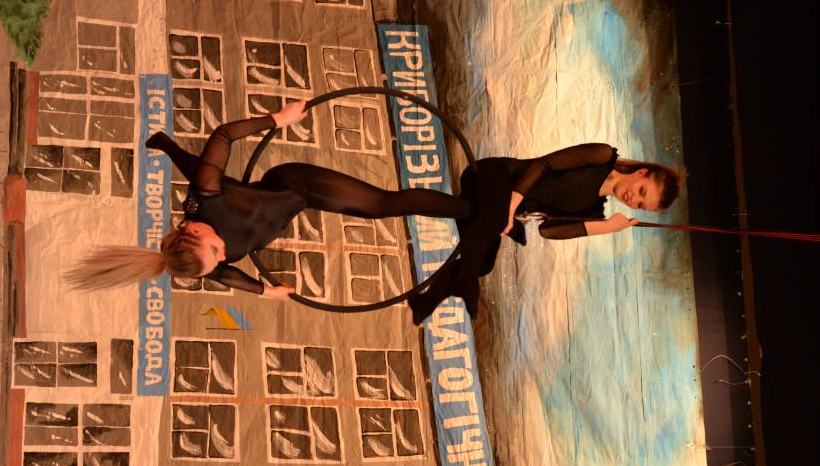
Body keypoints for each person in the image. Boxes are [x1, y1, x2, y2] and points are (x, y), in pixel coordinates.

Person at [65, 101, 472, 296]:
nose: (225, 256)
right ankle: (168, 146)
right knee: (212, 179)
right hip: (275, 207)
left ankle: (470, 209)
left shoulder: (203, 200)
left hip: (293, 186)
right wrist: (266, 291)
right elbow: (227, 276)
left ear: (195, 231)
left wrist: (277, 120)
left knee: (384, 205)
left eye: (217, 251)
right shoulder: (208, 264)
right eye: (218, 261)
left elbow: (223, 134)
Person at [405, 142, 685, 324]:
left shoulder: (594, 211)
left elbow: (547, 231)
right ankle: (466, 279)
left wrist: (605, 227)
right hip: (496, 176)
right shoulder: (602, 156)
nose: (633, 199)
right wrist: (512, 205)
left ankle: (424, 304)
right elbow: (543, 164)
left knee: (485, 263)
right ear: (641, 173)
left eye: (640, 205)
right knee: (490, 223)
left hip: (495, 212)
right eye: (641, 191)